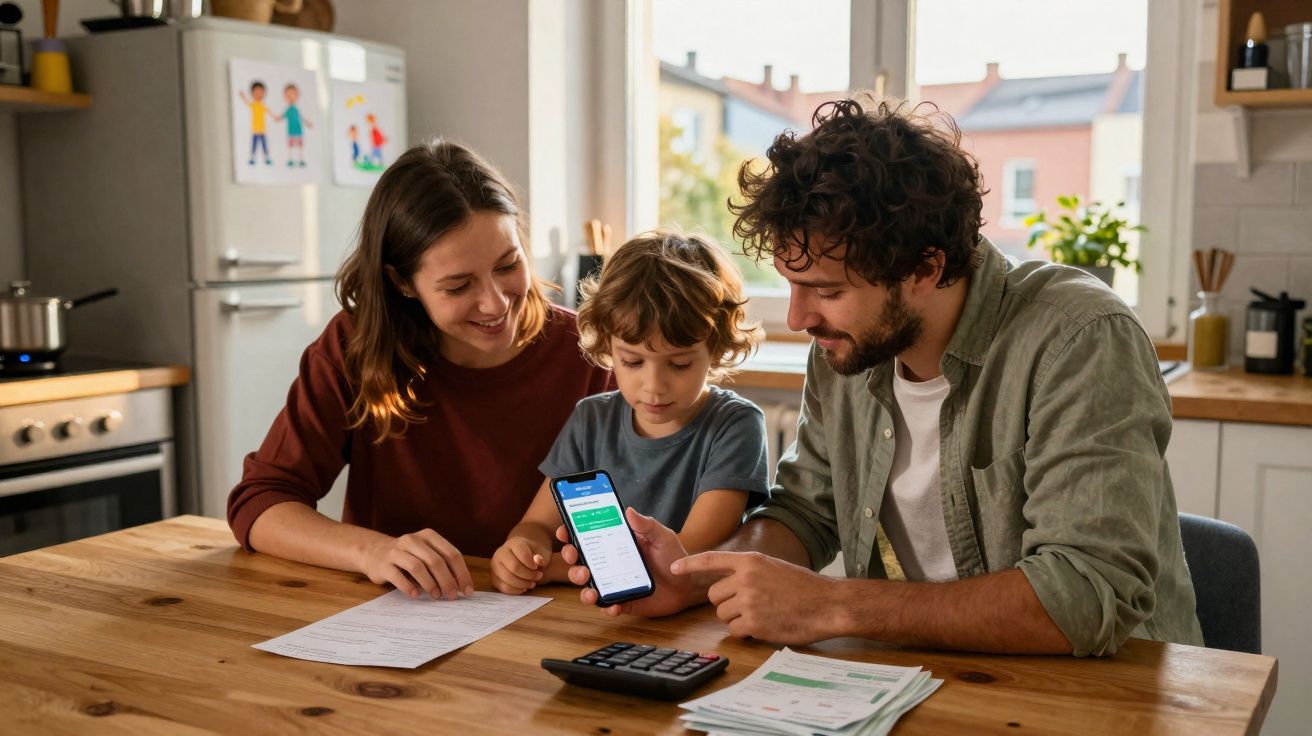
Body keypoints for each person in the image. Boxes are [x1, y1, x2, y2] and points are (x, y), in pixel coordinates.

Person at [557, 97, 1203, 657]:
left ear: (924, 269)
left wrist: (834, 606)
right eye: (790, 287)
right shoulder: (846, 350)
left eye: (826, 290)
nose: (798, 316)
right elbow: (806, 511)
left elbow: (1085, 595)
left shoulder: (1080, 340)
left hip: (1106, 697)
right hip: (935, 682)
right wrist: (697, 576)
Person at [227, 139, 612, 601]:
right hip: (399, 619)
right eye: (458, 285)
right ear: (402, 282)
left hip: (556, 616)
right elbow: (261, 502)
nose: (494, 302)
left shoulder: (589, 352)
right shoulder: (355, 347)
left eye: (508, 265)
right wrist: (371, 551)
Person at [490, 230, 770, 595]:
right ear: (608, 345)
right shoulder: (591, 420)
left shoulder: (735, 425)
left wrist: (559, 568)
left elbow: (685, 560)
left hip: (696, 621)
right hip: (596, 614)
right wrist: (522, 555)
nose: (653, 385)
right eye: (632, 361)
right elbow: (536, 526)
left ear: (715, 349)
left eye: (680, 364)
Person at [277, 83, 312, 167]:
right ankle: (290, 159)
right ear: (285, 97)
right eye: (288, 96)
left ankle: (300, 159)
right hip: (291, 131)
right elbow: (282, 116)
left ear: (297, 95)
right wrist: (278, 118)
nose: (291, 98)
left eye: (293, 95)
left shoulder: (296, 109)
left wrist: (307, 123)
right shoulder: (288, 109)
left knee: (300, 146)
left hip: (298, 130)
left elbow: (301, 117)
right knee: (291, 146)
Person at [238, 81, 272, 166]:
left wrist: (276, 118)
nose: (259, 94)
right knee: (254, 145)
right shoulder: (254, 104)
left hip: (262, 130)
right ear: (252, 93)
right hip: (255, 130)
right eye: (256, 92)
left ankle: (266, 158)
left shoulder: (262, 105)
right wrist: (243, 96)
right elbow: (247, 103)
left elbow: (269, 112)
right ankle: (252, 158)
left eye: (261, 92)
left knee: (264, 145)